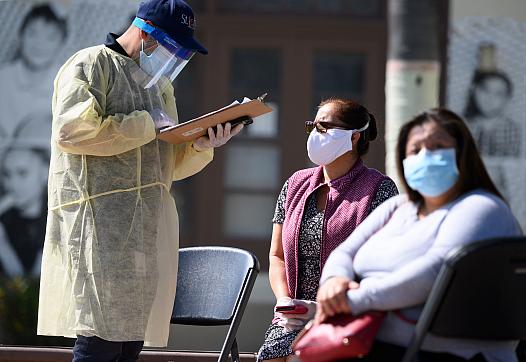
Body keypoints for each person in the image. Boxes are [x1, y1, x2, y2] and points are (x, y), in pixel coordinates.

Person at [36, 1, 243, 361]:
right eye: (171, 45)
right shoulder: (90, 65)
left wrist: (200, 145)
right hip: (96, 230)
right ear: (146, 31)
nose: (173, 55)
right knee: (98, 341)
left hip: (144, 234)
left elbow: (165, 166)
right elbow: (72, 131)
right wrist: (146, 123)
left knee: (129, 345)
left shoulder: (159, 87)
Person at [316, 108, 522, 362]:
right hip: (362, 341)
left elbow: (436, 271)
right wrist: (334, 281)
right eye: (415, 150)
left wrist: (354, 301)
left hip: (443, 355)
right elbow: (345, 252)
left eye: (438, 146)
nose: (426, 156)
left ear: (463, 154)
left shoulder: (482, 207)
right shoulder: (397, 207)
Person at [257, 98, 398, 362]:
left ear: (354, 137)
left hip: (347, 316)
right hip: (291, 318)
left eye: (324, 127)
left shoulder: (380, 189)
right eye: (313, 126)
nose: (314, 134)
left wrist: (332, 305)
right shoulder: (295, 184)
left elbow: (382, 266)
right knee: (271, 356)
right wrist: (285, 302)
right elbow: (277, 255)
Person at [0, 3, 67, 136]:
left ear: (62, 44)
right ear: (20, 36)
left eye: (50, 37)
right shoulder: (3, 77)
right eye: (32, 34)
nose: (39, 44)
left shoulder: (67, 84)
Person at [0, 115, 51, 277]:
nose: (12, 184)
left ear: (46, 171)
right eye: (7, 174)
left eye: (22, 173)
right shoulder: (6, 221)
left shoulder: (60, 219)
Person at [464, 70, 520, 158]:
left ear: (507, 99)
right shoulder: (463, 125)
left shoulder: (510, 129)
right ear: (474, 90)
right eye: (485, 90)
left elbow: (511, 164)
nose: (489, 98)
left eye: (498, 94)